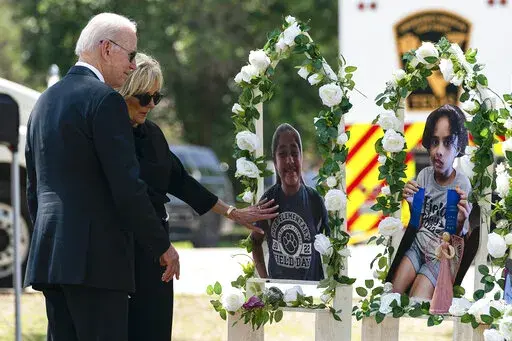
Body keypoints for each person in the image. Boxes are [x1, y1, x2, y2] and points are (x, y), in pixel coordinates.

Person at [24, 13, 179, 341]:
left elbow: (34, 188)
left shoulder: (44, 101)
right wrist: (161, 244)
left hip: (52, 259)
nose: (133, 66)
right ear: (106, 48)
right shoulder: (105, 100)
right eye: (131, 54)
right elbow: (126, 186)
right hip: (97, 262)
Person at [117, 53, 279, 341]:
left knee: (154, 328)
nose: (152, 105)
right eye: (144, 98)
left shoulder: (153, 134)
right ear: (125, 91)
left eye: (157, 96)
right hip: (121, 246)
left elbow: (181, 181)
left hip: (155, 251)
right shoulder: (111, 134)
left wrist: (232, 212)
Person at [387, 104, 472, 299]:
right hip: (418, 247)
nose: (438, 151)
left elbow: (458, 240)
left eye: (447, 143)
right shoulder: (424, 175)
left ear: (458, 147)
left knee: (417, 301)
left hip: (440, 256)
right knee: (392, 295)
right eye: (434, 142)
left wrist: (460, 221)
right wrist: (410, 204)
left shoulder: (462, 184)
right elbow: (418, 223)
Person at [251, 123, 329, 281]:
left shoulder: (314, 200)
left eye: (294, 153)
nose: (289, 160)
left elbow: (331, 243)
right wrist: (266, 280)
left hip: (311, 293)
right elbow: (255, 241)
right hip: (279, 293)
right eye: (282, 154)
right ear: (274, 161)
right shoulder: (268, 201)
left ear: (301, 157)